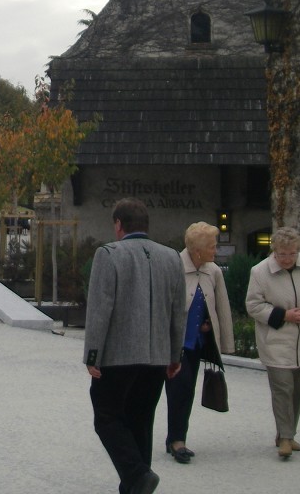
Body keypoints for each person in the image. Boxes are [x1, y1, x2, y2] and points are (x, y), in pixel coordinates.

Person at [84, 198, 185, 494]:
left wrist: (93, 354)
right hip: (157, 356)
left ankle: (137, 474)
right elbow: (178, 311)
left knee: (106, 417)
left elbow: (100, 309)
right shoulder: (172, 257)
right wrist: (175, 355)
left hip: (118, 355)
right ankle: (136, 485)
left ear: (118, 224)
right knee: (141, 420)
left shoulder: (109, 254)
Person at [245, 226, 300, 459]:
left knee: (297, 390)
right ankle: (284, 438)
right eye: (282, 254)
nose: (287, 259)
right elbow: (253, 305)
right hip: (276, 341)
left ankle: (288, 434)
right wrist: (284, 315)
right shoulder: (259, 271)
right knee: (282, 388)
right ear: (274, 250)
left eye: (292, 253)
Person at [163, 221, 235, 463]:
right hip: (173, 343)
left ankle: (176, 438)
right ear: (197, 251)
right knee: (177, 390)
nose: (215, 250)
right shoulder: (173, 267)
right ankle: (176, 440)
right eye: (212, 247)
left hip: (196, 343)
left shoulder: (212, 271)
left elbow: (221, 307)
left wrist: (219, 335)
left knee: (187, 390)